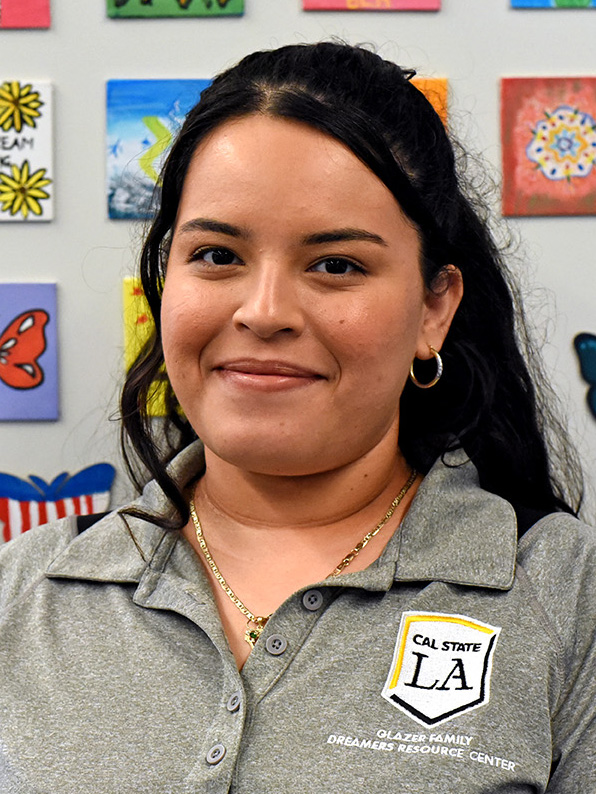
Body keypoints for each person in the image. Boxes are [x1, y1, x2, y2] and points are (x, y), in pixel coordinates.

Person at [0, 42, 593, 793]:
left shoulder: (567, 597)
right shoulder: (25, 591)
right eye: (216, 255)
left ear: (434, 309)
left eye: (336, 265)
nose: (264, 312)